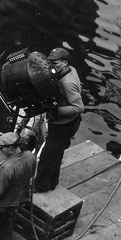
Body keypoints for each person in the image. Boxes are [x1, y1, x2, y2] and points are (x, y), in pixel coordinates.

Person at [34, 47, 84, 192]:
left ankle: (41, 187)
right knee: (56, 154)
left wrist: (55, 110)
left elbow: (79, 107)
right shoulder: (69, 69)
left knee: (47, 157)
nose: (51, 66)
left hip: (64, 125)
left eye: (55, 63)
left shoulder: (67, 83)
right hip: (65, 123)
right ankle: (52, 182)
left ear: (64, 62)